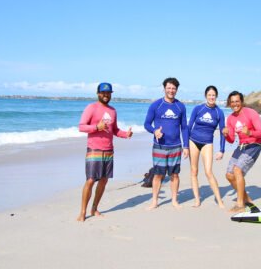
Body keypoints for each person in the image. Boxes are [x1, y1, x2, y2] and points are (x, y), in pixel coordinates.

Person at [77, 82, 133, 222]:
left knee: (103, 181)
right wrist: (97, 126)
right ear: (98, 93)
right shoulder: (91, 107)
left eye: (108, 93)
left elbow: (114, 130)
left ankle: (94, 208)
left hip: (109, 150)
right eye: (103, 93)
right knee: (90, 180)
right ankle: (83, 212)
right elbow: (82, 127)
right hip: (94, 149)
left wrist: (126, 134)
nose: (106, 95)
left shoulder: (113, 111)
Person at [144, 77, 189, 209]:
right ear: (164, 89)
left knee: (174, 174)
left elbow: (184, 128)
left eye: (173, 88)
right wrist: (154, 131)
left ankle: (174, 200)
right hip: (159, 146)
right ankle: (154, 201)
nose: (171, 90)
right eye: (168, 88)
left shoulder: (180, 106)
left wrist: (186, 146)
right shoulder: (156, 105)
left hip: (175, 146)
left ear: (176, 90)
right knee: (158, 174)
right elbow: (146, 124)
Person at [222, 91, 261, 213]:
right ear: (229, 104)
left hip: (254, 144)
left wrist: (249, 132)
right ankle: (247, 199)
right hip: (241, 146)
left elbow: (260, 132)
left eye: (237, 101)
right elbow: (231, 140)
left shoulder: (251, 113)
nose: (235, 104)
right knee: (229, 175)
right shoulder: (230, 118)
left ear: (241, 102)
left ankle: (240, 204)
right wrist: (225, 134)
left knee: (237, 169)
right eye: (232, 102)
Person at [188, 85, 226, 208]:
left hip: (207, 143)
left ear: (216, 97)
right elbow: (189, 127)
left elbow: (222, 132)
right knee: (194, 171)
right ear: (206, 96)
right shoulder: (198, 109)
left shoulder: (219, 112)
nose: (211, 97)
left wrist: (222, 150)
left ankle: (219, 200)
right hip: (193, 141)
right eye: (209, 95)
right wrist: (185, 145)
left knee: (208, 172)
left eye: (213, 95)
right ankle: (197, 200)